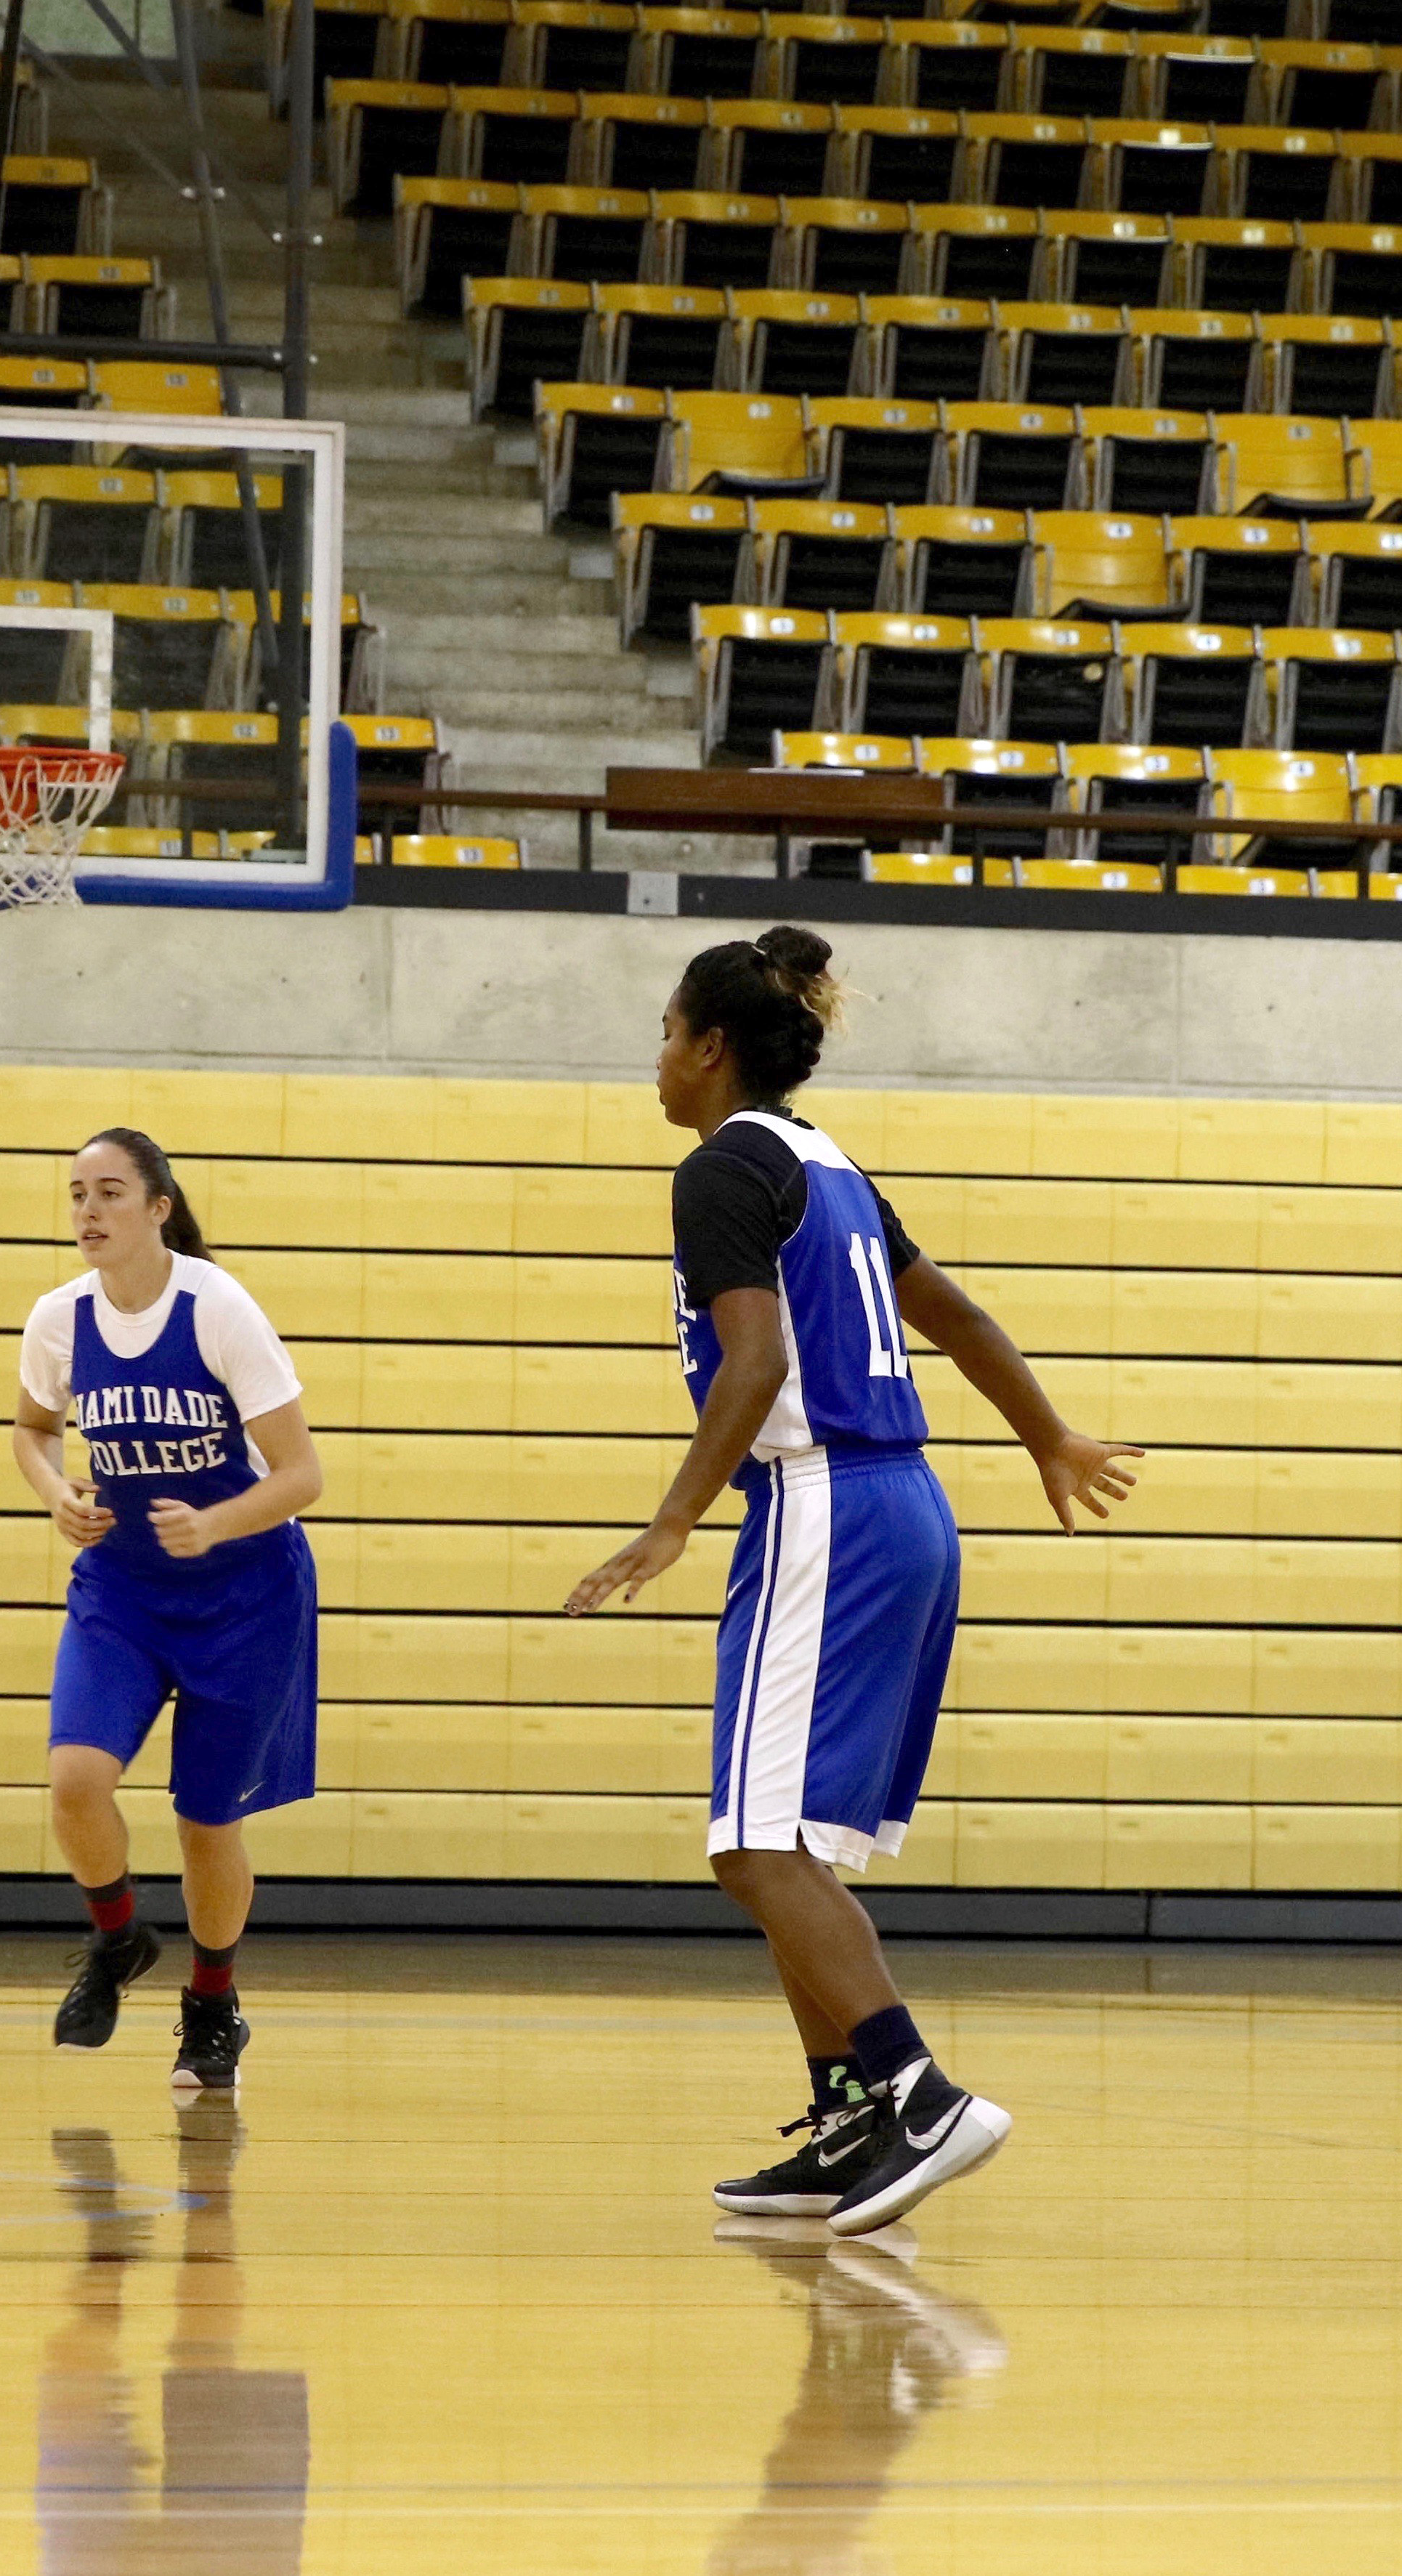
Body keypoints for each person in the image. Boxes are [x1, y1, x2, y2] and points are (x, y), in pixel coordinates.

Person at [567, 928, 1138, 2237]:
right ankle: (847, 2117)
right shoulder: (827, 1163)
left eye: (665, 1032)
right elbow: (961, 1319)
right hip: (903, 1507)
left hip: (824, 1503)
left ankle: (916, 2092)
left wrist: (669, 1519)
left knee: (756, 1845)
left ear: (711, 1048)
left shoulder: (719, 1166)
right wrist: (1046, 1433)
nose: (655, 1058)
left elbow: (756, 1365)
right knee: (791, 1844)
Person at [11, 1130, 324, 2094]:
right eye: (74, 1195)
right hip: (125, 1589)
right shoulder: (58, 1317)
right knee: (74, 1777)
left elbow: (303, 1473)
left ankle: (212, 2003)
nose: (87, 1211)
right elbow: (29, 1433)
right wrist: (53, 1490)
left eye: (108, 1192)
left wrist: (218, 1520)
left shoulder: (216, 1308)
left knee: (203, 1822)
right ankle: (115, 1938)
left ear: (157, 1207)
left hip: (244, 1597)